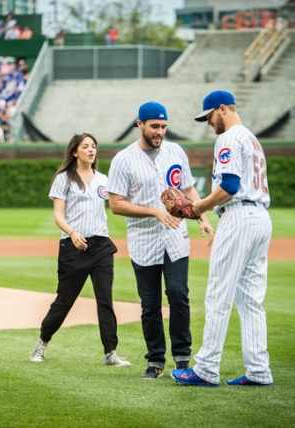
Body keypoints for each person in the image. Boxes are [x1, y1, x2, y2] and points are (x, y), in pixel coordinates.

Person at [172, 90, 273, 387]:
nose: (207, 123)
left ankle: (205, 369)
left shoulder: (228, 137)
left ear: (222, 109)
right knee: (252, 300)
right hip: (260, 219)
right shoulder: (252, 139)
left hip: (238, 216)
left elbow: (228, 185)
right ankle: (259, 371)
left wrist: (197, 206)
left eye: (208, 117)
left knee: (218, 294)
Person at [107, 102, 214, 379]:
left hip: (176, 237)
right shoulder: (123, 159)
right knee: (150, 304)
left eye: (164, 127)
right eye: (155, 126)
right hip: (143, 240)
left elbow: (187, 188)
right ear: (139, 124)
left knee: (179, 295)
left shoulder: (176, 151)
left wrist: (200, 215)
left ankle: (182, 359)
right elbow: (116, 204)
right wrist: (154, 210)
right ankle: (155, 361)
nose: (160, 132)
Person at [30, 132, 131, 367]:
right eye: (85, 146)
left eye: (94, 146)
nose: (91, 150)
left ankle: (111, 353)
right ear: (75, 151)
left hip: (101, 246)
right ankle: (42, 343)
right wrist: (73, 233)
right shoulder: (64, 178)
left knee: (104, 298)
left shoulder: (104, 179)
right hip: (72, 246)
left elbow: (120, 201)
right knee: (65, 300)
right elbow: (58, 214)